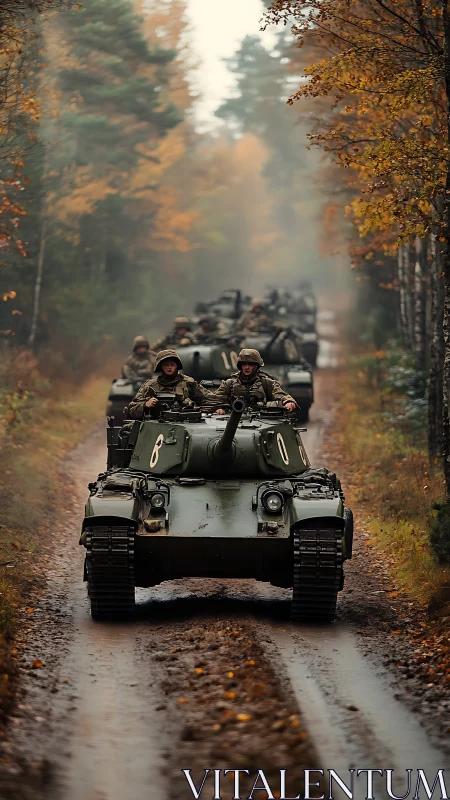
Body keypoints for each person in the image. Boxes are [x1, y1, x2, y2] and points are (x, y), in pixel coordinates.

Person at [127, 349, 211, 419]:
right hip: (157, 426)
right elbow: (130, 410)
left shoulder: (188, 383)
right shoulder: (150, 386)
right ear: (161, 367)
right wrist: (145, 405)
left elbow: (208, 399)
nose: (169, 367)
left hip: (187, 424)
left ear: (177, 366)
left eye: (172, 365)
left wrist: (218, 408)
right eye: (166, 365)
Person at [212, 349, 296, 413]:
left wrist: (288, 401)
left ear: (256, 366)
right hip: (233, 420)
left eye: (250, 365)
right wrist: (218, 408)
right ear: (240, 366)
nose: (247, 367)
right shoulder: (229, 383)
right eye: (244, 364)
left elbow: (280, 394)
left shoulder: (266, 383)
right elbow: (215, 399)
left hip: (262, 420)